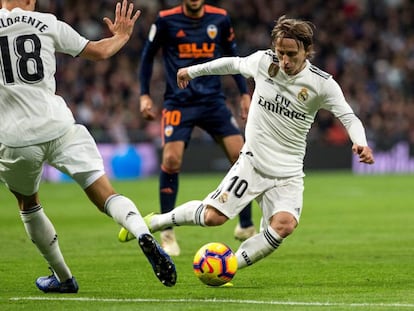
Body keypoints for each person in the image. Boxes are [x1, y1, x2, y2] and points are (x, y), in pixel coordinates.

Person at [142, 15, 375, 272]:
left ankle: (228, 267)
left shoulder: (322, 84)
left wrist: (360, 142)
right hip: (252, 163)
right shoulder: (264, 62)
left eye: (291, 54)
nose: (284, 60)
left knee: (284, 225)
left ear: (307, 51)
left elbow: (348, 116)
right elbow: (232, 63)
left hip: (288, 173)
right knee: (212, 217)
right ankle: (158, 221)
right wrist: (192, 71)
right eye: (280, 52)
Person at [0, 0, 176, 293]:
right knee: (106, 194)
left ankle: (63, 278)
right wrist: (120, 36)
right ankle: (142, 232)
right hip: (59, 126)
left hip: (15, 137)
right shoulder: (47, 23)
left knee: (28, 204)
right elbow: (99, 51)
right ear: (31, 1)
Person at [117, 0, 255, 256]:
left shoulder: (221, 19)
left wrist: (244, 94)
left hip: (213, 101)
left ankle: (245, 224)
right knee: (170, 159)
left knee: (242, 155)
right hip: (179, 102)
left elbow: (233, 58)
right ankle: (167, 233)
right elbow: (147, 58)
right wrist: (144, 95)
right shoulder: (165, 20)